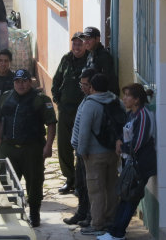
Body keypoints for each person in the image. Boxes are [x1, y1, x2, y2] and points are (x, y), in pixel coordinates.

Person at [0, 69, 57, 227]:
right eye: (17, 81)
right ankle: (10, 212)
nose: (20, 85)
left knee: (34, 182)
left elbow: (51, 124)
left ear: (30, 82)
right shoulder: (5, 97)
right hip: (9, 147)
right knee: (6, 181)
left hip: (32, 148)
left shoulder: (41, 100)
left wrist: (48, 146)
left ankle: (34, 214)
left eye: (24, 81)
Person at [97, 84, 156, 240]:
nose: (124, 98)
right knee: (125, 196)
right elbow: (126, 135)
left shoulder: (143, 115)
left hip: (140, 165)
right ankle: (114, 231)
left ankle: (118, 233)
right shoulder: (132, 114)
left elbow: (137, 143)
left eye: (128, 96)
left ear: (136, 99)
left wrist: (121, 146)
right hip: (130, 163)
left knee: (130, 198)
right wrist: (119, 142)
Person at [77, 74, 121, 236]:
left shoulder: (91, 104)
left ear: (92, 87)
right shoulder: (116, 100)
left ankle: (97, 224)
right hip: (112, 151)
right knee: (111, 187)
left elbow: (84, 131)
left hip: (94, 154)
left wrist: (82, 151)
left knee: (96, 190)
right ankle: (110, 219)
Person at [51, 31, 88, 194]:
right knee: (64, 145)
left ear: (85, 45)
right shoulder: (66, 59)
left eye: (80, 44)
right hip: (65, 109)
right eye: (74, 44)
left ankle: (81, 180)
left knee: (81, 145)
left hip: (82, 110)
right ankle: (69, 179)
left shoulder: (90, 60)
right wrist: (57, 98)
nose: (77, 47)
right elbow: (57, 79)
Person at [64, 68, 97, 227]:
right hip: (80, 151)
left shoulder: (95, 102)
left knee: (89, 186)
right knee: (80, 185)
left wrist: (82, 150)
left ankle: (91, 216)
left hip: (88, 152)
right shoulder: (86, 99)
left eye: (85, 84)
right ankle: (81, 213)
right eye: (81, 84)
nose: (82, 87)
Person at [80, 27, 119, 96]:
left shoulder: (103, 56)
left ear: (97, 39)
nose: (86, 42)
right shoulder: (90, 54)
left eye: (88, 39)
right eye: (84, 39)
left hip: (101, 98)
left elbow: (107, 80)